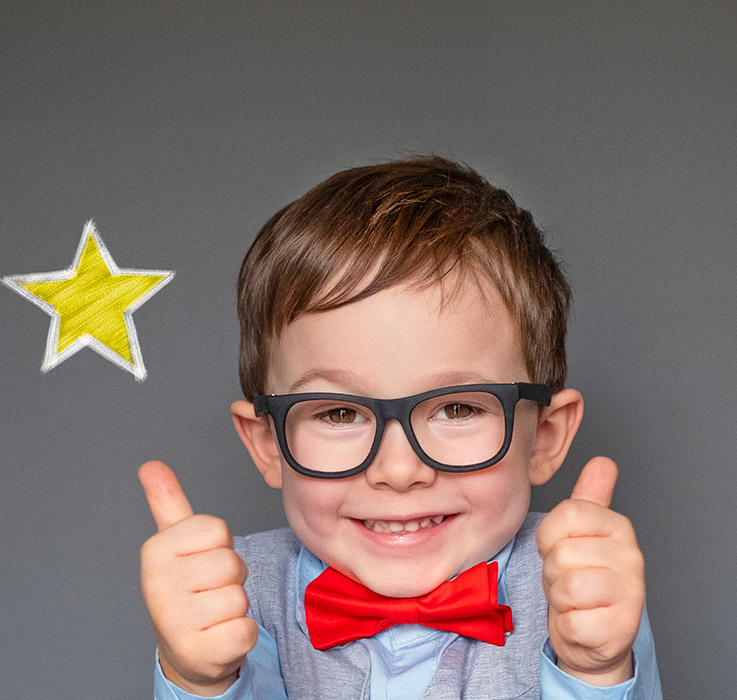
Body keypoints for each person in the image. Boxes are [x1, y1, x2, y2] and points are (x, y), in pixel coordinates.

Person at [139, 157, 660, 700]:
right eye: (339, 413)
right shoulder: (231, 593)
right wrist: (199, 683)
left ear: (545, 436)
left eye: (457, 408)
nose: (399, 470)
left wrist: (593, 674)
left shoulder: (584, 583)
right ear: (269, 443)